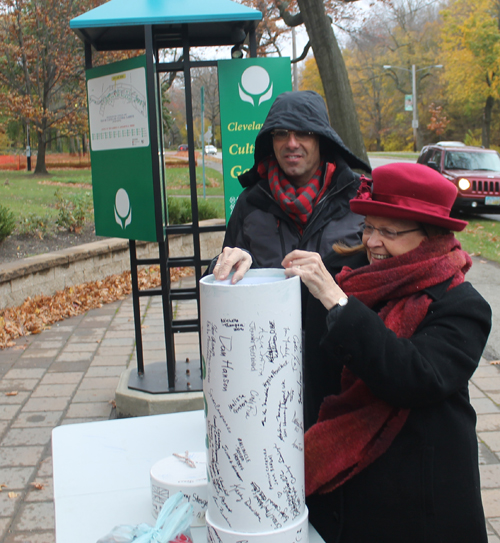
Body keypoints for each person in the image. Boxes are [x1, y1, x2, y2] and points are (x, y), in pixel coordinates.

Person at [281, 162, 491, 542]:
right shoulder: (349, 273)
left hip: (420, 508)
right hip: (343, 499)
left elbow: (413, 375)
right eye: (369, 226)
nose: (373, 242)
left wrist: (338, 304)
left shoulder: (462, 305)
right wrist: (238, 270)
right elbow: (274, 300)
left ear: (431, 235)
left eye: (389, 231)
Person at [213, 90, 371, 283]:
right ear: (271, 141)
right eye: (281, 134)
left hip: (340, 312)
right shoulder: (251, 203)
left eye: (303, 133)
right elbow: (221, 283)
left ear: (321, 139)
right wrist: (226, 265)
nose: (291, 143)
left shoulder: (357, 197)